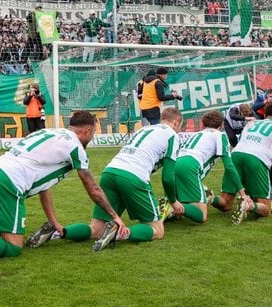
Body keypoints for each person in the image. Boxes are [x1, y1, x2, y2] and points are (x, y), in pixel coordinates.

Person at [0, 110, 129, 259]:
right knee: (13, 248)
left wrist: (54, 222)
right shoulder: (76, 148)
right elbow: (93, 189)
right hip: (10, 179)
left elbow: (46, 187)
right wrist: (115, 217)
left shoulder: (51, 132)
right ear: (87, 130)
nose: (93, 137)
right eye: (93, 133)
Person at [50, 107, 183, 251]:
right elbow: (168, 177)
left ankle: (59, 231)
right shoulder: (172, 136)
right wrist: (173, 201)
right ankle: (119, 233)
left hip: (110, 172)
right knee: (157, 229)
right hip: (133, 176)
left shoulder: (144, 129)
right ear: (176, 122)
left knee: (96, 229)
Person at [214, 103, 272, 224]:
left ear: (265, 115)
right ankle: (249, 206)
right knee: (266, 209)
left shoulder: (252, 123)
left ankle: (210, 197)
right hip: (258, 159)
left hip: (235, 155)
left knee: (225, 204)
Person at [171, 110, 240, 224]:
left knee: (178, 213)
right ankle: (171, 207)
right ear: (221, 125)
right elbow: (229, 166)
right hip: (190, 166)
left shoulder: (196, 134)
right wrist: (242, 192)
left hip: (176, 164)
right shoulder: (220, 135)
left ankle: (170, 206)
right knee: (201, 215)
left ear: (203, 124)